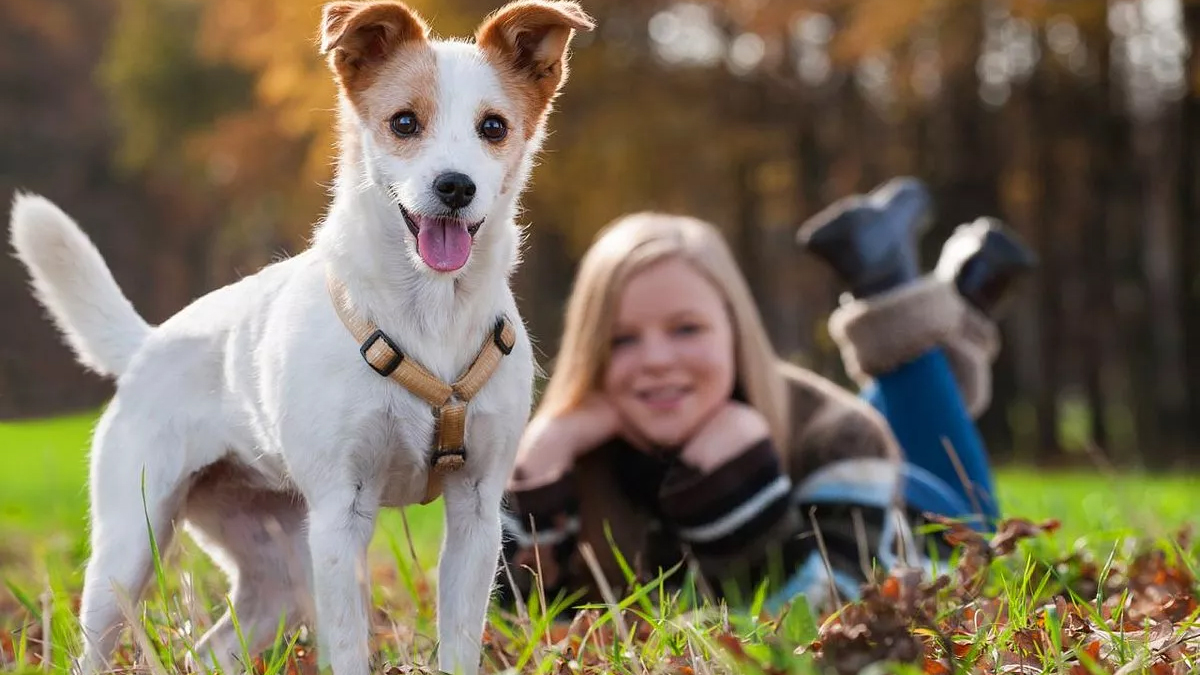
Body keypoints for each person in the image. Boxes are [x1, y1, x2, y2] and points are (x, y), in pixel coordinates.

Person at [496, 178, 1034, 613]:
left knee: (978, 522)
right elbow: (513, 616)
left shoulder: (841, 438)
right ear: (589, 354)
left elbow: (829, 618)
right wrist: (535, 466)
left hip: (919, 517)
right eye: (621, 339)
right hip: (833, 443)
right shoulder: (578, 451)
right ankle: (960, 293)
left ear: (736, 332)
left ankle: (906, 287)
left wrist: (735, 485)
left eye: (686, 329)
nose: (657, 359)